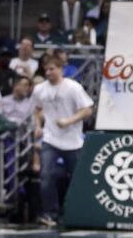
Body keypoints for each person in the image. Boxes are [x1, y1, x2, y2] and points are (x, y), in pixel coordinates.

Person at [32, 55, 94, 227]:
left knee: (76, 178)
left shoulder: (73, 87)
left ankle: (76, 212)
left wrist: (70, 121)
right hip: (50, 138)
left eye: (52, 69)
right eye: (46, 69)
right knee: (45, 176)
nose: (49, 72)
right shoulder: (39, 89)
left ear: (61, 69)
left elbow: (87, 110)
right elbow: (37, 109)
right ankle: (50, 213)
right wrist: (38, 126)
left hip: (73, 140)